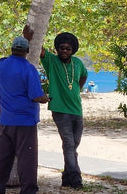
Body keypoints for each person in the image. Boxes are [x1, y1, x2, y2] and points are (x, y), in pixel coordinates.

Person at [24, 26, 88, 190]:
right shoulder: (52, 61)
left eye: (68, 48)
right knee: (68, 144)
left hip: (77, 110)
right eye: (62, 48)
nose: (65, 50)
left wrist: (76, 90)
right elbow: (40, 50)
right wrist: (29, 38)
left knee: (73, 145)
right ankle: (76, 179)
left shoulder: (78, 63)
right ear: (58, 49)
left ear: (72, 50)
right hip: (60, 110)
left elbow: (84, 76)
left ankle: (66, 177)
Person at [0, 36, 49, 194]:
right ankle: (28, 191)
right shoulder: (29, 69)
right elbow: (36, 96)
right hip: (25, 123)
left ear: (12, 49)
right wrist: (46, 97)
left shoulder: (2, 65)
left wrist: (26, 36)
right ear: (27, 51)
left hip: (6, 121)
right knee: (26, 161)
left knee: (2, 159)